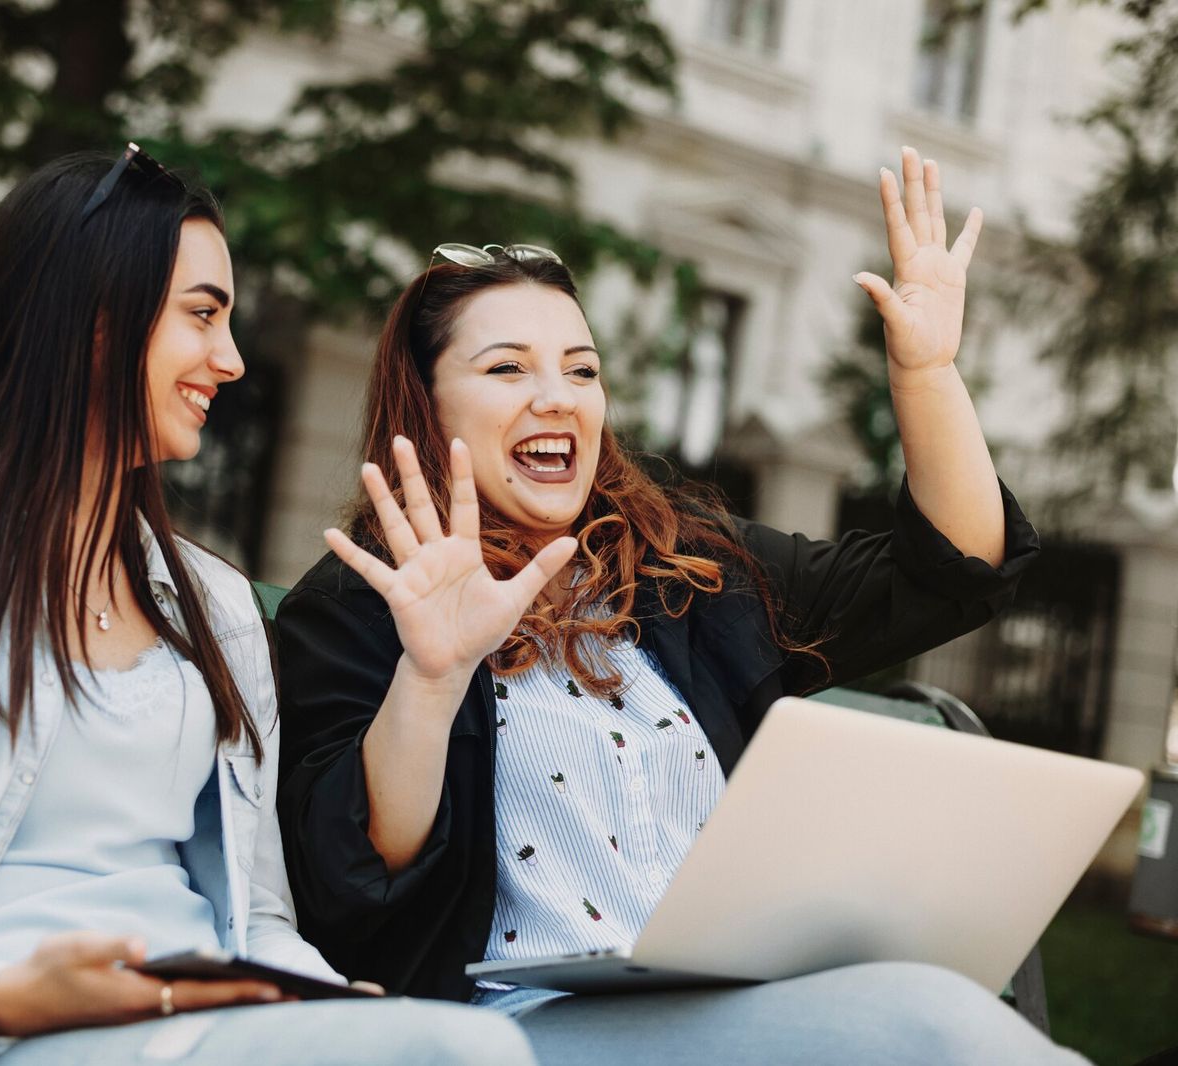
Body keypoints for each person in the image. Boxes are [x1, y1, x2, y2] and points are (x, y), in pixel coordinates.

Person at [0, 146, 535, 1066]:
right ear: (92, 320)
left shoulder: (217, 610)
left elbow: (257, 920)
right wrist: (7, 999)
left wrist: (325, 1006)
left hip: (190, 1033)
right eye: (202, 316)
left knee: (459, 1051)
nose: (229, 360)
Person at [274, 147, 1086, 1065]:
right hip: (514, 1032)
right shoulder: (358, 605)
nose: (558, 397)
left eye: (582, 371)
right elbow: (353, 883)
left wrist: (927, 370)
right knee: (927, 1021)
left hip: (730, 1011)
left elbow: (954, 568)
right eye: (507, 370)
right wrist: (432, 674)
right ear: (425, 403)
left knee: (928, 1006)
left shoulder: (681, 568)